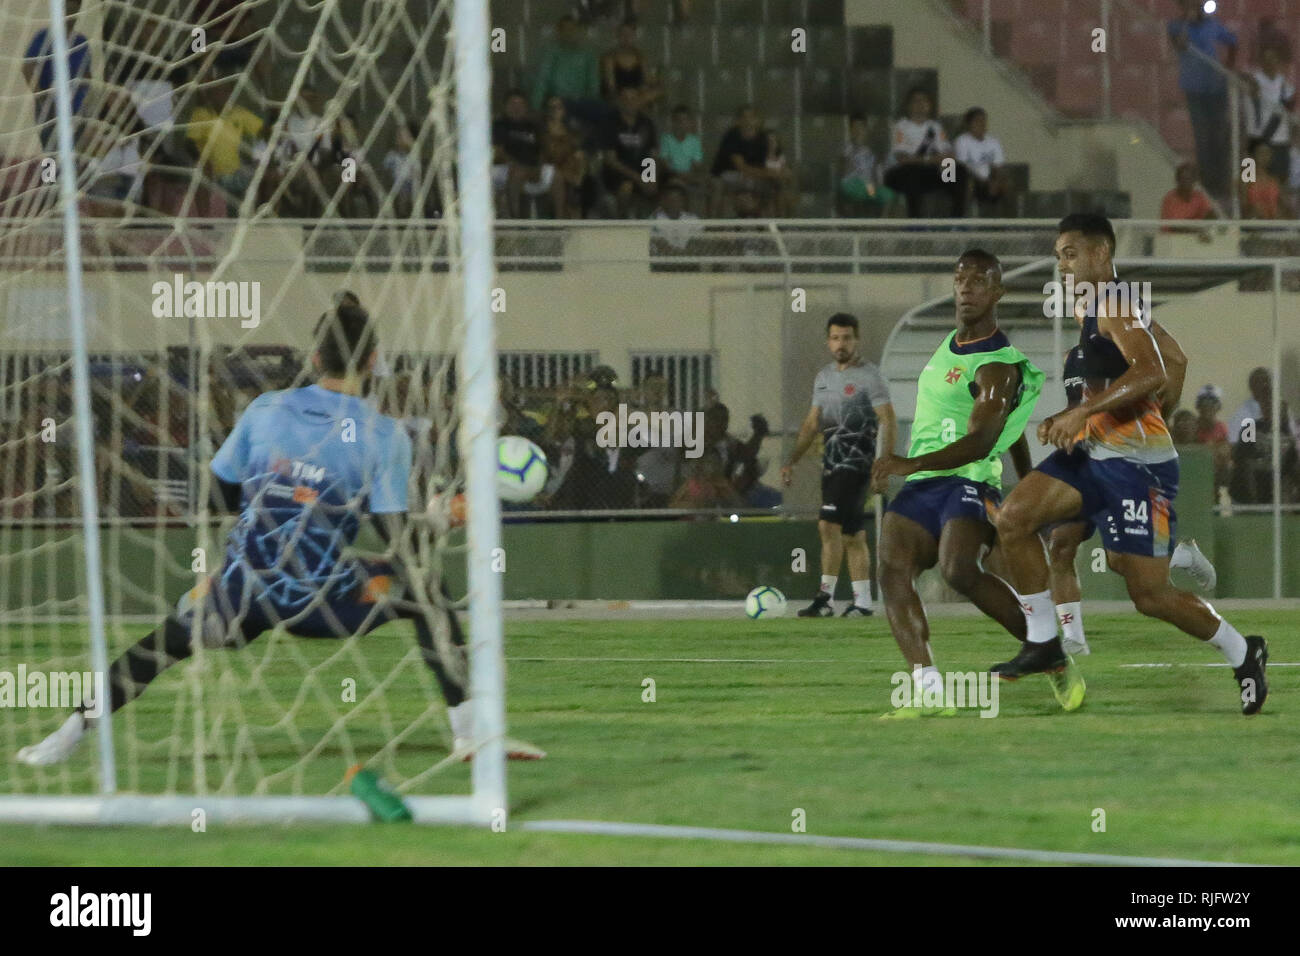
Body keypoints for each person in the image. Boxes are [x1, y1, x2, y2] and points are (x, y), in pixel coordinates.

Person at [17, 302, 544, 767]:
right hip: (322, 604)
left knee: (163, 645)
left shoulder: (264, 410)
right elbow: (401, 547)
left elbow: (214, 502)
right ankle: (470, 734)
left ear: (314, 358)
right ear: (373, 361)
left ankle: (68, 734)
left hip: (243, 593)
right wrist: (441, 518)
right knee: (427, 592)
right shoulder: (385, 437)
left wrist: (218, 562)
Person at [989, 213, 1268, 716]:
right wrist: (1094, 416)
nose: (1063, 266)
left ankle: (1244, 652)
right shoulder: (1103, 306)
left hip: (1136, 467)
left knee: (1149, 595)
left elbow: (1155, 369)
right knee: (1015, 518)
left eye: (1070, 255)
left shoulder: (1113, 302)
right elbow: (1176, 361)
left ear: (1100, 255)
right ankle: (1045, 642)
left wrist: (1092, 413)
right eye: (1058, 257)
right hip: (1096, 454)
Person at [870, 250, 1051, 716]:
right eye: (960, 279)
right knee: (891, 566)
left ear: (998, 292)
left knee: (958, 570)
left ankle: (1049, 651)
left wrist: (905, 464)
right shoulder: (949, 343)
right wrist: (1029, 477)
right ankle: (928, 686)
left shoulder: (997, 364)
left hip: (968, 479)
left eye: (979, 280)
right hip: (925, 483)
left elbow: (983, 440)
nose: (966, 287)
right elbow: (1012, 434)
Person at [1033, 309, 1216, 660]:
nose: (1081, 307)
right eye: (1077, 300)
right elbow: (1079, 406)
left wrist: (1149, 324)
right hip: (1084, 461)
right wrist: (1055, 424)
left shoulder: (1131, 348)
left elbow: (1177, 360)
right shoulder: (1074, 357)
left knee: (1121, 561)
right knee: (1061, 543)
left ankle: (1181, 554)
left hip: (1124, 462)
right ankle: (1073, 638)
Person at [781, 314, 896, 618]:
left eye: (846, 338)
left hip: (857, 465)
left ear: (856, 340)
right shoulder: (824, 377)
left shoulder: (870, 376)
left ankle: (826, 599)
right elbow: (811, 423)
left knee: (828, 525)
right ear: (828, 341)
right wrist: (792, 459)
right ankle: (861, 602)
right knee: (851, 534)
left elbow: (888, 419)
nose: (840, 344)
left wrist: (883, 464)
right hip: (831, 465)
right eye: (835, 338)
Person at [1167, 0, 1238, 201]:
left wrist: (1228, 68)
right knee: (1202, 137)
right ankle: (1208, 183)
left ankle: (1222, 181)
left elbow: (1233, 41)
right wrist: (1186, 21)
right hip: (1194, 88)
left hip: (1216, 86)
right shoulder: (1175, 25)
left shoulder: (1212, 24)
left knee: (1219, 135)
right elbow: (1178, 44)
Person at [882, 87, 965, 217]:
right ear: (908, 106)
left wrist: (945, 162)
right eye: (916, 101)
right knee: (913, 171)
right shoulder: (901, 126)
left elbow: (949, 153)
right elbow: (903, 159)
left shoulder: (935, 127)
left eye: (924, 101)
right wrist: (931, 160)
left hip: (930, 173)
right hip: (900, 175)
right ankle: (915, 223)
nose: (921, 104)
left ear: (930, 105)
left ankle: (956, 222)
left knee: (958, 172)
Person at [21, 0, 91, 152]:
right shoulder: (44, 37)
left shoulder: (81, 41)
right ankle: (50, 177)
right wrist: (42, 97)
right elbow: (27, 67)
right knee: (51, 153)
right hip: (49, 108)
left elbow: (87, 75)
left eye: (75, 7)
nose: (71, 12)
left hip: (75, 108)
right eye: (68, 7)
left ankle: (71, 175)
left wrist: (85, 99)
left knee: (74, 155)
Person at [531, 15, 605, 134]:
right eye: (565, 29)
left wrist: (592, 102)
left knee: (605, 115)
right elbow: (542, 79)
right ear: (559, 32)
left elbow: (594, 82)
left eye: (572, 29)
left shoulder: (588, 53)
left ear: (578, 31)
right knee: (565, 118)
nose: (569, 33)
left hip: (582, 101)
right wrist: (536, 106)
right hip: (559, 100)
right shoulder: (551, 52)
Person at [491, 90, 554, 219]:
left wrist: (539, 166)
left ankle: (560, 222)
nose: (516, 108)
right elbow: (499, 151)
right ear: (505, 106)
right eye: (513, 104)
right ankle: (516, 221)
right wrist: (516, 164)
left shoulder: (533, 126)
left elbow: (543, 150)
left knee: (556, 175)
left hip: (532, 167)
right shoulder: (499, 125)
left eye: (520, 104)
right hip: (505, 167)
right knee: (517, 173)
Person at [600, 85, 657, 218]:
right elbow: (611, 160)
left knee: (662, 187)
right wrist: (638, 178)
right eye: (625, 98)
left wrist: (651, 177)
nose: (629, 102)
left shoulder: (646, 123)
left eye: (633, 98)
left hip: (642, 170)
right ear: (619, 101)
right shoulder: (610, 123)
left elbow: (652, 154)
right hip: (617, 172)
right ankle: (622, 221)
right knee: (627, 187)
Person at [1243, 43, 1295, 186]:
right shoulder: (1253, 79)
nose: (1270, 62)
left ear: (1278, 62)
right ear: (1261, 62)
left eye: (1273, 59)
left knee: (1279, 182)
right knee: (1249, 180)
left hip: (1279, 140)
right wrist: (1248, 83)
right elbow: (1240, 77)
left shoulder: (1286, 85)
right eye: (1266, 59)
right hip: (1255, 137)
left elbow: (1288, 110)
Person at [953, 107, 1012, 215]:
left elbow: (998, 166)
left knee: (1006, 182)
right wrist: (986, 183)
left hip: (989, 180)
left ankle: (1008, 224)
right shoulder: (962, 141)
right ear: (969, 124)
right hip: (971, 179)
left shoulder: (994, 142)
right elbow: (963, 167)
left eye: (984, 120)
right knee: (966, 181)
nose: (982, 124)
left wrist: (996, 181)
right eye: (978, 121)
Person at [838, 112, 892, 215]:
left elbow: (873, 173)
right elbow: (843, 169)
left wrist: (876, 184)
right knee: (864, 193)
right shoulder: (847, 148)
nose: (858, 130)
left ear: (866, 130)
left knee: (885, 195)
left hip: (867, 185)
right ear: (850, 130)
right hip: (851, 184)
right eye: (854, 127)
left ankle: (880, 224)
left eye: (861, 127)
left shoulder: (870, 152)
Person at [601, 18, 661, 108]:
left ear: (634, 36)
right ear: (617, 36)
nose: (626, 38)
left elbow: (648, 79)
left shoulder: (640, 57)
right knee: (623, 98)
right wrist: (626, 94)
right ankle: (631, 107)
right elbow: (611, 87)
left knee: (656, 91)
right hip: (618, 97)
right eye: (623, 34)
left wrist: (656, 84)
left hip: (636, 96)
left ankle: (633, 106)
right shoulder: (610, 58)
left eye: (629, 35)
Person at [1159, 161, 1216, 231]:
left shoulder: (1199, 196)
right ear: (1177, 180)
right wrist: (1195, 226)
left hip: (1193, 237)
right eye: (1183, 179)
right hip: (1172, 238)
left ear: (1194, 181)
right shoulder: (1170, 198)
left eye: (1189, 179)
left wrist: (1203, 222)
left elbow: (1212, 215)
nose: (1186, 183)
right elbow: (1174, 227)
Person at [1242, 139, 1289, 219]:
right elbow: (1243, 206)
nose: (1265, 157)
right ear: (1253, 155)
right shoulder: (1246, 180)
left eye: (1268, 153)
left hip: (1276, 224)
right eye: (1261, 153)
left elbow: (1285, 205)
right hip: (1254, 223)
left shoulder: (1274, 180)